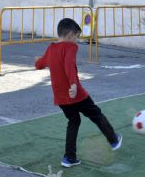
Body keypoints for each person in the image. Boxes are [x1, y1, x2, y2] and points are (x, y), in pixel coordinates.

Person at [35, 18, 122, 167]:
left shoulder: (51, 48)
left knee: (74, 121)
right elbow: (69, 65)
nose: (77, 40)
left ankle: (69, 157)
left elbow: (41, 63)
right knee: (96, 114)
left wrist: (37, 62)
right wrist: (74, 85)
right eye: (77, 36)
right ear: (70, 35)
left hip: (61, 97)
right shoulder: (71, 47)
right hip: (76, 94)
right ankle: (113, 139)